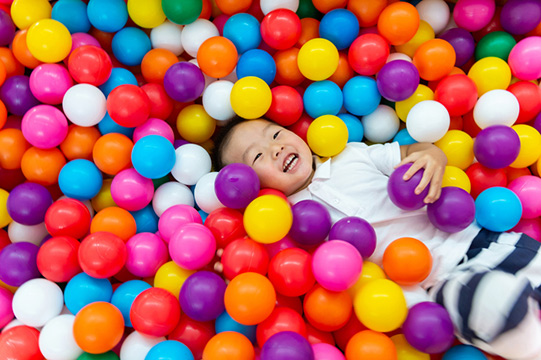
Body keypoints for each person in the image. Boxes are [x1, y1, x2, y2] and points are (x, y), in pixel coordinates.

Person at [213, 117, 541, 360]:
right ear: (250, 186)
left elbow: (414, 150)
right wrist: (231, 264)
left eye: (276, 134)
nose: (275, 147)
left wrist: (433, 158)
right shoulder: (282, 223)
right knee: (486, 300)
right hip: (434, 285)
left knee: (532, 264)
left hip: (476, 240)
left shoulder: (352, 155)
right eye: (257, 157)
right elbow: (267, 266)